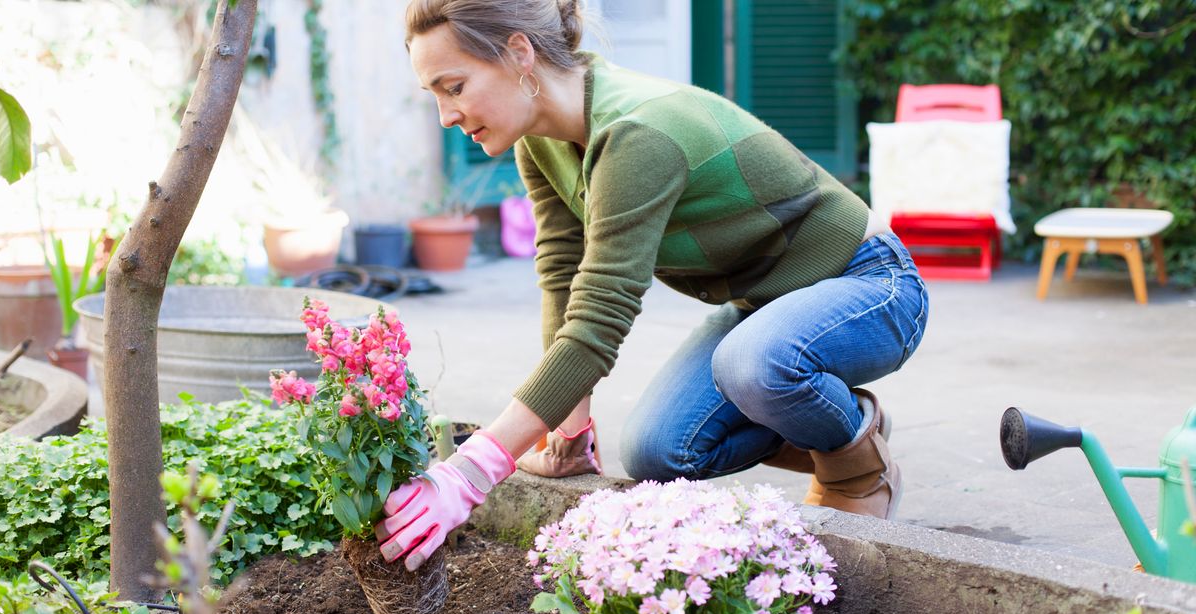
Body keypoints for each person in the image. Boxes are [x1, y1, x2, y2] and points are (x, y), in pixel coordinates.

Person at [376, 0, 929, 572]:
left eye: (454, 86)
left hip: (871, 282)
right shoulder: (538, 139)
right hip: (769, 309)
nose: (446, 114)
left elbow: (600, 315)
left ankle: (859, 466)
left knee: (752, 363)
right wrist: (571, 428)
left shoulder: (636, 133)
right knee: (658, 453)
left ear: (519, 54)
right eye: (435, 95)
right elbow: (564, 274)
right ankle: (845, 419)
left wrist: (470, 473)